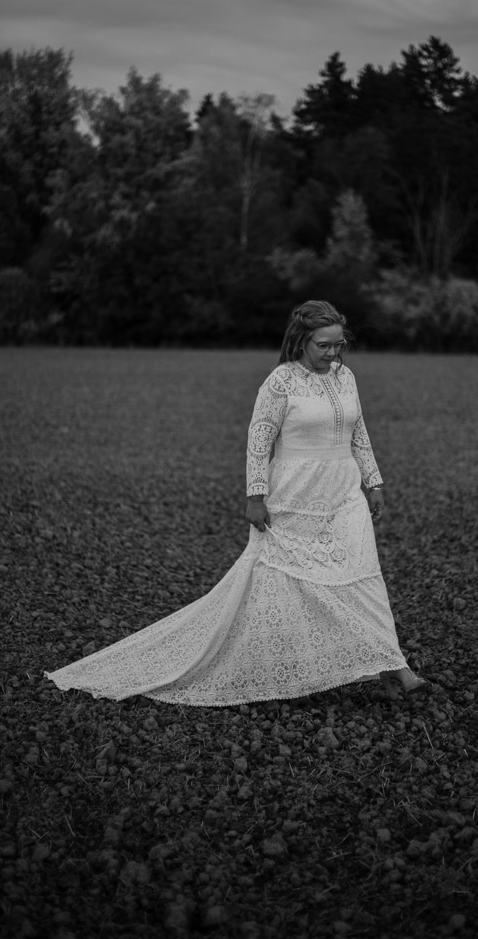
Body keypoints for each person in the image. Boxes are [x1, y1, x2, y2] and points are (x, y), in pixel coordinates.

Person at [45, 300, 427, 706]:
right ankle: (290, 667)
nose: (333, 353)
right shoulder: (280, 382)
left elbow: (359, 432)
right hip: (295, 494)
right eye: (324, 345)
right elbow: (259, 441)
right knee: (288, 582)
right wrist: (255, 496)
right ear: (301, 341)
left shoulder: (345, 377)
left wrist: (374, 481)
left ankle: (392, 665)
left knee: (363, 574)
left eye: (339, 345)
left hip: (345, 492)